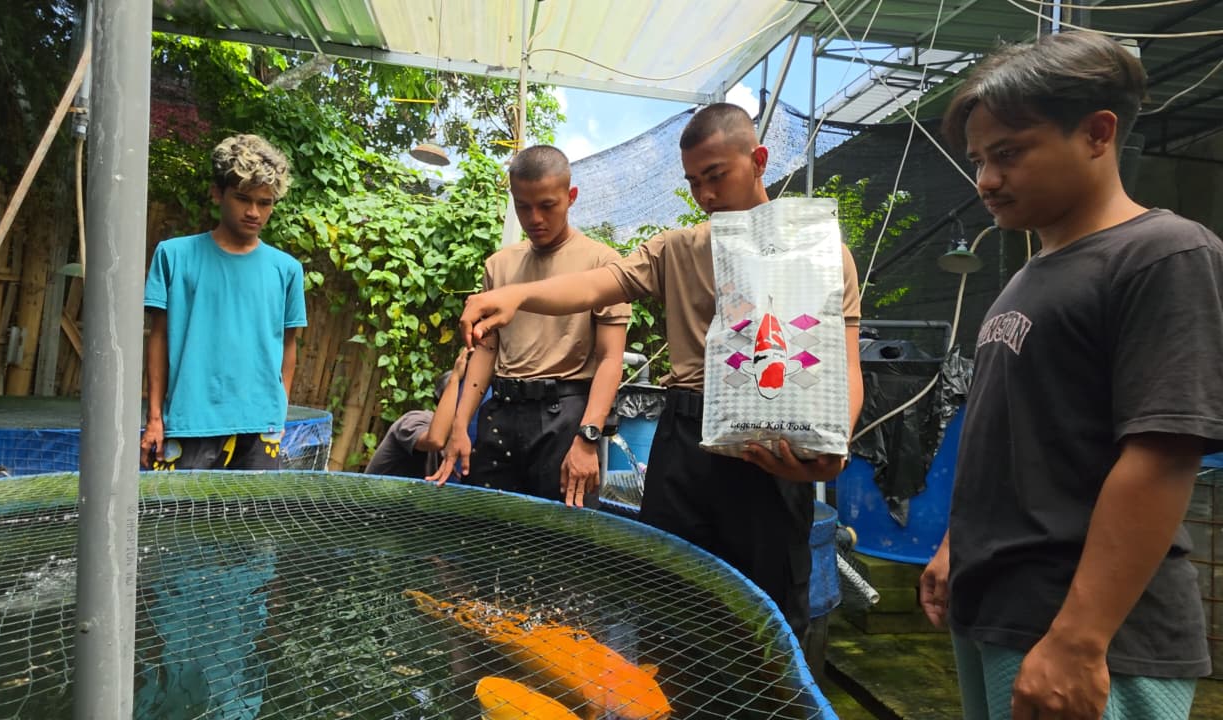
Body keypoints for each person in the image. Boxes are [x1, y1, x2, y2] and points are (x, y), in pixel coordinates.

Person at [457, 104, 864, 634]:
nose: (706, 196)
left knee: (766, 617)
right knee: (668, 603)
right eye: (695, 182)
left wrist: (836, 448)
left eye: (716, 176)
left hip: (773, 449)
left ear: (758, 160)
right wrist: (518, 295)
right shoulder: (678, 249)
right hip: (685, 442)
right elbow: (597, 284)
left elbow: (844, 366)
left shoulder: (819, 254)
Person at [918, 31, 1222, 720]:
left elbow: (1164, 454)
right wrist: (954, 546)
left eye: (1009, 154)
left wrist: (1080, 641)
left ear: (1097, 133)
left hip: (1085, 630)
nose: (985, 180)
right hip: (999, 606)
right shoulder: (1030, 275)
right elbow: (1012, 433)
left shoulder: (1162, 255)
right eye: (978, 159)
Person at [427, 145, 630, 509]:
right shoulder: (500, 265)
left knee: (564, 542)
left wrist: (588, 438)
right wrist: (460, 425)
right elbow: (486, 350)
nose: (534, 217)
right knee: (491, 532)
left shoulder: (603, 264)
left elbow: (610, 359)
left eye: (547, 205)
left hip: (566, 417)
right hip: (502, 412)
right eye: (523, 206)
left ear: (571, 197)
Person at [141, 134, 307, 471]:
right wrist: (155, 418)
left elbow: (289, 346)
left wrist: (278, 411)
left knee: (250, 522)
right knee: (176, 520)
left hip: (261, 427)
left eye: (265, 202)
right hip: (189, 422)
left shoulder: (287, 270)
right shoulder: (174, 255)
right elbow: (157, 337)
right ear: (217, 193)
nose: (253, 212)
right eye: (243, 198)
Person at [367, 349, 470, 478]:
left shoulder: (462, 441)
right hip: (376, 496)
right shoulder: (415, 420)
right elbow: (435, 440)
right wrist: (455, 378)